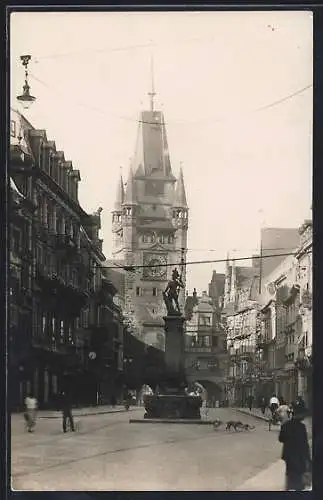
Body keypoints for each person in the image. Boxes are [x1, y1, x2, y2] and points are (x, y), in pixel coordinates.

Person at [279, 404, 311, 491]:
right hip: (299, 456)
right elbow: (305, 445)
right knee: (299, 477)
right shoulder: (302, 427)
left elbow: (281, 439)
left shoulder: (286, 425)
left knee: (289, 473)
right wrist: (308, 458)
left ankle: (289, 488)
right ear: (300, 415)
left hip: (288, 455)